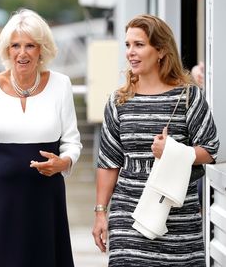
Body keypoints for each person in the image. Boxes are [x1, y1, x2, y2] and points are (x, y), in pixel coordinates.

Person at [92, 14, 219, 266]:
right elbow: (109, 163)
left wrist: (172, 151)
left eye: (139, 45)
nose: (131, 52)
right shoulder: (118, 101)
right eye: (128, 45)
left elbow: (211, 149)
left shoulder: (188, 97)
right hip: (128, 217)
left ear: (160, 50)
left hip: (178, 219)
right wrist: (100, 213)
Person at [0, 8, 82, 267]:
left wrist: (64, 162)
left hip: (45, 199)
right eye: (15, 46)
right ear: (7, 50)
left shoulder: (61, 84)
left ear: (41, 49)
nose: (22, 53)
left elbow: (72, 141)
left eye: (30, 45)